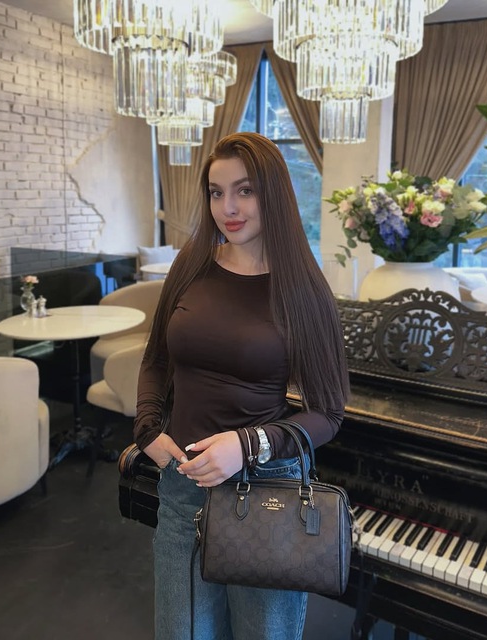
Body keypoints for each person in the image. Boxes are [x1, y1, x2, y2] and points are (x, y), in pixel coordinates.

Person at [133, 131, 349, 640]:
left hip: (268, 489)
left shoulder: (302, 288)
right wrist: (146, 427)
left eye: (244, 190)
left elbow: (328, 412)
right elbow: (156, 358)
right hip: (183, 486)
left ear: (273, 193)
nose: (227, 208)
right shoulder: (192, 264)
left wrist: (247, 445)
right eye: (216, 192)